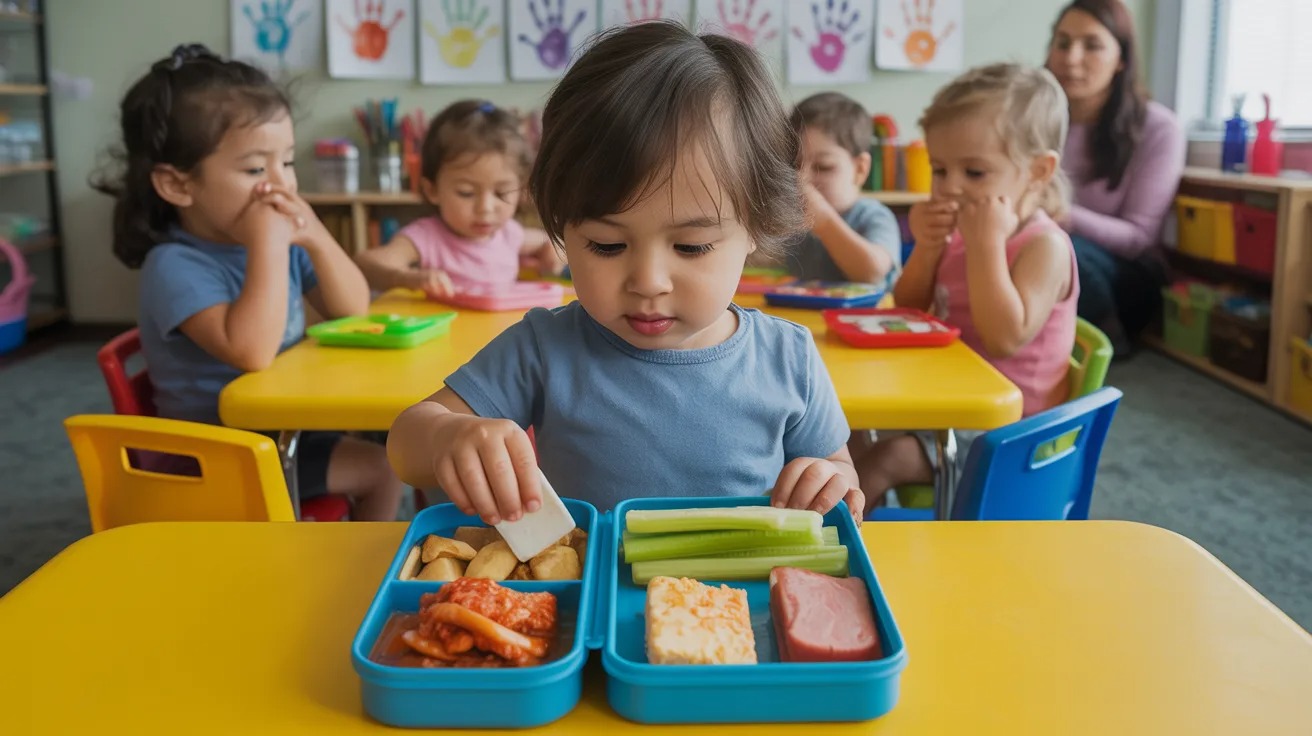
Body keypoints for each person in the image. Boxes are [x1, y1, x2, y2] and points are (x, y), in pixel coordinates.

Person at [386, 21, 864, 524]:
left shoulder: (788, 359)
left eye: (691, 245)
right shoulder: (544, 348)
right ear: (562, 230)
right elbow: (404, 442)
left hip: (744, 601)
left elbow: (838, 470)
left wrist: (833, 481)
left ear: (754, 227)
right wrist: (446, 436)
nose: (649, 281)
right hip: (591, 599)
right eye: (606, 245)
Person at [94, 43, 403, 521]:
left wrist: (316, 236)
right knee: (384, 467)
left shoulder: (271, 244)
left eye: (288, 163)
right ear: (178, 185)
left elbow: (353, 308)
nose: (279, 185)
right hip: (214, 451)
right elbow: (252, 352)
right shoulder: (175, 265)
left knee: (396, 451)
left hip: (280, 427)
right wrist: (269, 245)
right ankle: (359, 572)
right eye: (256, 168)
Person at [852, 63, 1079, 513]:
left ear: (1038, 170)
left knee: (883, 460)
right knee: (844, 431)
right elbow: (910, 307)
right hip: (947, 402)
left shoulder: (1043, 247)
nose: (951, 187)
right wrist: (927, 248)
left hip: (1013, 428)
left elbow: (1005, 337)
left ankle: (851, 565)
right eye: (939, 170)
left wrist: (986, 245)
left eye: (974, 173)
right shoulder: (964, 231)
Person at [1046, 0, 1185, 350]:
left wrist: (1062, 214)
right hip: (1047, 249)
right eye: (1062, 43)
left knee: (1059, 248)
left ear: (1121, 59)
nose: (1071, 57)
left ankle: (1107, 340)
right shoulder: (1036, 120)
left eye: (1091, 45)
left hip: (1126, 273)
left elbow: (1139, 237)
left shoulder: (1158, 127)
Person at [354, 100, 560, 298]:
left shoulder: (509, 234)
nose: (485, 208)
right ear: (432, 190)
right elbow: (366, 264)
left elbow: (549, 242)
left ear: (521, 190)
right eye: (466, 193)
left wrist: (552, 251)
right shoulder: (427, 237)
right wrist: (407, 278)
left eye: (501, 193)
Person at [786, 92, 902, 289]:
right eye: (793, 166)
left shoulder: (873, 216)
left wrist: (825, 222)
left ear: (860, 169)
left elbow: (872, 272)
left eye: (823, 167)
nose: (801, 180)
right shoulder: (794, 219)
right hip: (806, 318)